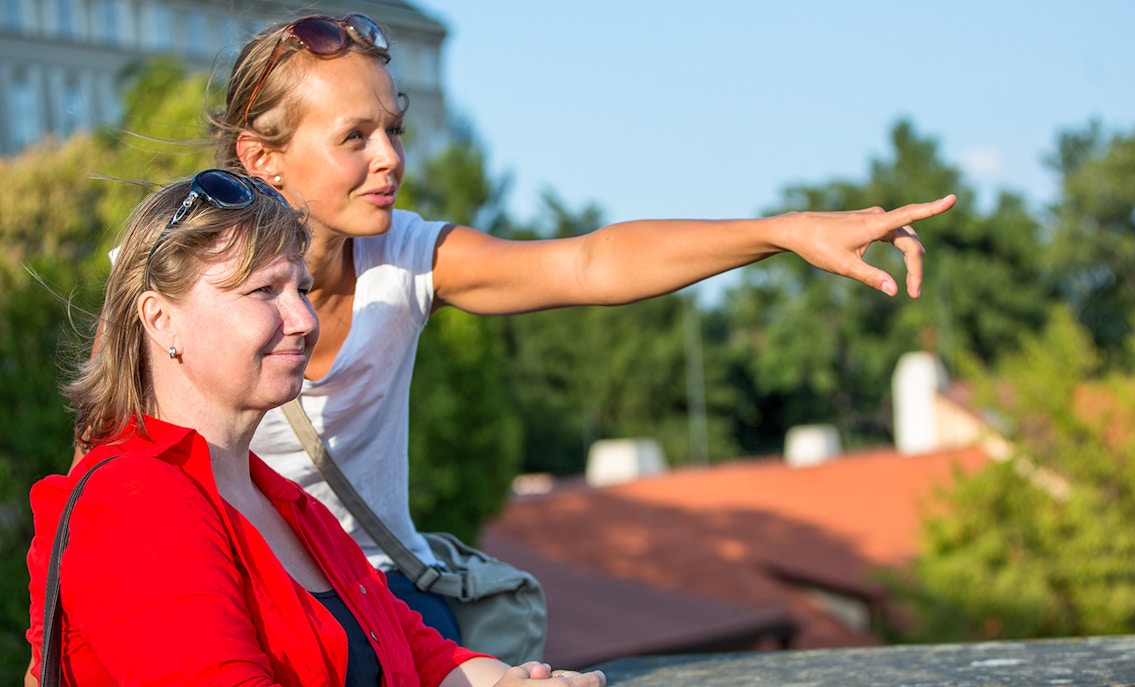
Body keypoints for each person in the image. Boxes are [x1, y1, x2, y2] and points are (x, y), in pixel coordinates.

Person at [209, 12, 957, 641]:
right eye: (355, 137)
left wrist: (785, 232)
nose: (391, 158)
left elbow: (590, 264)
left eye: (394, 129)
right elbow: (133, 467)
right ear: (263, 158)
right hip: (254, 613)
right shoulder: (178, 286)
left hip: (388, 610)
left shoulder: (404, 255)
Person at [26, 170, 604, 687]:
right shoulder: (134, 500)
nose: (304, 320)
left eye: (301, 288)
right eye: (263, 291)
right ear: (160, 317)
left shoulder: (288, 505)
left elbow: (417, 649)